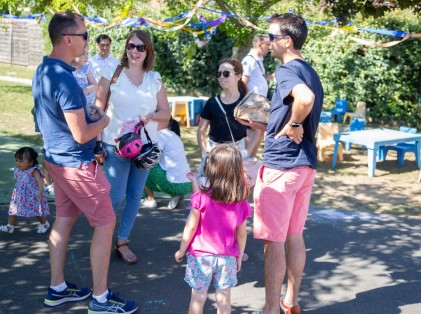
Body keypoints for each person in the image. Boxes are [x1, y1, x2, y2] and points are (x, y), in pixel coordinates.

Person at [32, 11, 137, 313]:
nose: (88, 42)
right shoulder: (63, 78)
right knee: (106, 223)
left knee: (64, 221)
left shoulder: (44, 70)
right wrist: (103, 120)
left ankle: (57, 288)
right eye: (85, 36)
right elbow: (81, 134)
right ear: (67, 39)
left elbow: (48, 120)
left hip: (57, 161)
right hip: (76, 164)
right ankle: (101, 299)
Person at [245, 13, 324, 314]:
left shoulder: (287, 70)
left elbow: (304, 99)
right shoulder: (310, 70)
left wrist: (291, 124)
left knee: (273, 242)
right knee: (294, 235)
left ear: (286, 41)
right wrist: (272, 124)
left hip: (282, 168)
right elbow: (302, 103)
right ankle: (290, 301)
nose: (267, 41)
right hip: (304, 166)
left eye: (271, 36)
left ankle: (269, 309)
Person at [95, 29, 171, 265]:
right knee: (115, 197)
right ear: (125, 47)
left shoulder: (154, 78)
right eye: (130, 46)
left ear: (148, 51)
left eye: (140, 47)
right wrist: (97, 142)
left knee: (135, 196)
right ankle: (103, 239)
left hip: (144, 148)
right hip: (115, 146)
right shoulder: (111, 73)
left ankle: (122, 241)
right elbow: (97, 109)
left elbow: (166, 113)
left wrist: (150, 116)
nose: (134, 51)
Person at [174, 144, 252, 314]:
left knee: (198, 298)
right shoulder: (240, 200)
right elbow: (242, 233)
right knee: (223, 299)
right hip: (227, 257)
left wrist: (181, 250)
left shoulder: (201, 196)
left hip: (201, 257)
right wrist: (239, 255)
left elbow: (191, 226)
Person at [196, 58, 261, 174]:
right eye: (219, 74)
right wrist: (204, 152)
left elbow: (257, 130)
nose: (221, 77)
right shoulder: (212, 102)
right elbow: (201, 130)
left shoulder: (247, 103)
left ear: (238, 76)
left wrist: (246, 152)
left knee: (234, 190)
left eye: (226, 73)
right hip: (214, 152)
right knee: (207, 188)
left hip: (237, 153)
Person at [141, 117, 192, 209]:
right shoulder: (175, 137)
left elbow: (152, 155)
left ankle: (150, 199)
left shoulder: (162, 135)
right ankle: (175, 196)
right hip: (187, 184)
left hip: (173, 184)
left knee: (142, 165)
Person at [0, 147, 50, 234]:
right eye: (17, 160)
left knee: (37, 211)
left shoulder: (33, 171)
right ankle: (10, 226)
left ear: (30, 162)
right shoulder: (18, 170)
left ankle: (45, 224)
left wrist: (40, 192)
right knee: (13, 209)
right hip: (20, 195)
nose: (18, 163)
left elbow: (40, 182)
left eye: (21, 161)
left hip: (33, 196)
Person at [241, 34, 273, 157]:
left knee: (259, 132)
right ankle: (246, 160)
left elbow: (257, 80)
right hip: (253, 102)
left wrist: (269, 77)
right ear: (260, 45)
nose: (270, 48)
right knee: (253, 132)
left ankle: (251, 159)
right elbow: (243, 83)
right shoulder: (249, 60)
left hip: (260, 102)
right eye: (268, 45)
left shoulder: (258, 60)